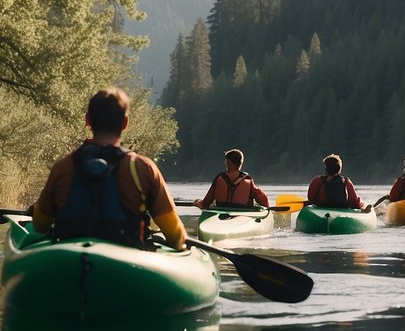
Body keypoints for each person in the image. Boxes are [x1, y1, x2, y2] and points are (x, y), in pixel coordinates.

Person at [33, 86, 186, 249]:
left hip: (71, 261)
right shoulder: (143, 168)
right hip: (127, 264)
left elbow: (40, 225)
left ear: (88, 120)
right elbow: (175, 235)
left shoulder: (63, 167)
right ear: (125, 123)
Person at [193, 148, 269, 209]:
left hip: (220, 214)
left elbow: (205, 204)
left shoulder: (219, 179)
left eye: (225, 160)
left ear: (227, 162)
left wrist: (198, 203)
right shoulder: (248, 180)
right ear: (241, 162)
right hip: (243, 215)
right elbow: (264, 202)